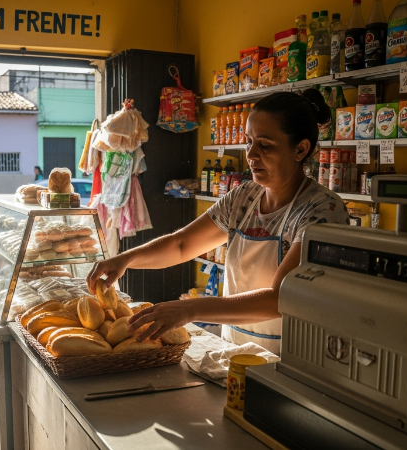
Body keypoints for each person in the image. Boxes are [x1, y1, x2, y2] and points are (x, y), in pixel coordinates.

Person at [87, 90, 349, 354]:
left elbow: (279, 298)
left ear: (301, 149)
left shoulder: (322, 211)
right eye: (249, 142)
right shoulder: (244, 197)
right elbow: (181, 244)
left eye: (265, 145)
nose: (251, 154)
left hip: (292, 359)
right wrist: (124, 260)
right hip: (236, 349)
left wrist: (190, 309)